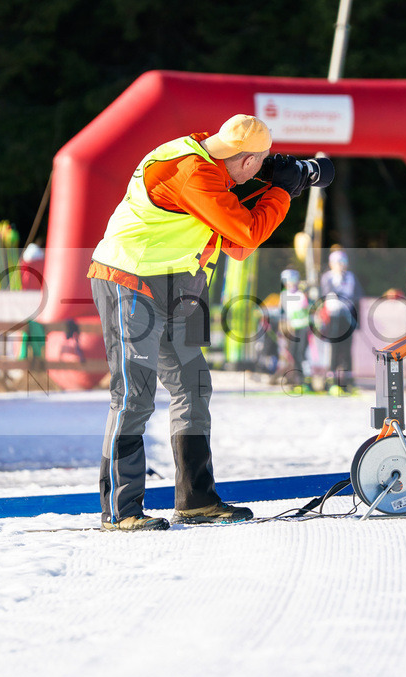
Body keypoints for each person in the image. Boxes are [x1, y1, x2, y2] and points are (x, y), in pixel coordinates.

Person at [87, 114, 311, 531]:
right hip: (129, 279)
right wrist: (280, 190)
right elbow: (246, 235)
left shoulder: (208, 155)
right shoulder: (194, 175)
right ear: (245, 161)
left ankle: (196, 500)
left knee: (193, 386)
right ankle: (120, 511)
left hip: (176, 287)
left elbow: (237, 246)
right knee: (134, 394)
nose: (260, 172)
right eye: (260, 164)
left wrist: (275, 186)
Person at [319, 248, 364, 395]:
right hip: (333, 316)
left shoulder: (351, 277)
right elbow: (326, 293)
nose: (340, 265)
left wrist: (358, 321)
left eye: (343, 262)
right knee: (333, 348)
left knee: (347, 348)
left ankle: (347, 381)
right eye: (337, 262)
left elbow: (356, 298)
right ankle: (330, 380)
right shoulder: (328, 277)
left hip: (347, 316)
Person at [276, 267, 310, 387]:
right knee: (292, 353)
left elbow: (304, 310)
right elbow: (283, 312)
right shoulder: (283, 295)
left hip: (302, 327)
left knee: (300, 353)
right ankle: (296, 378)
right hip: (291, 328)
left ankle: (304, 379)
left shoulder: (301, 294)